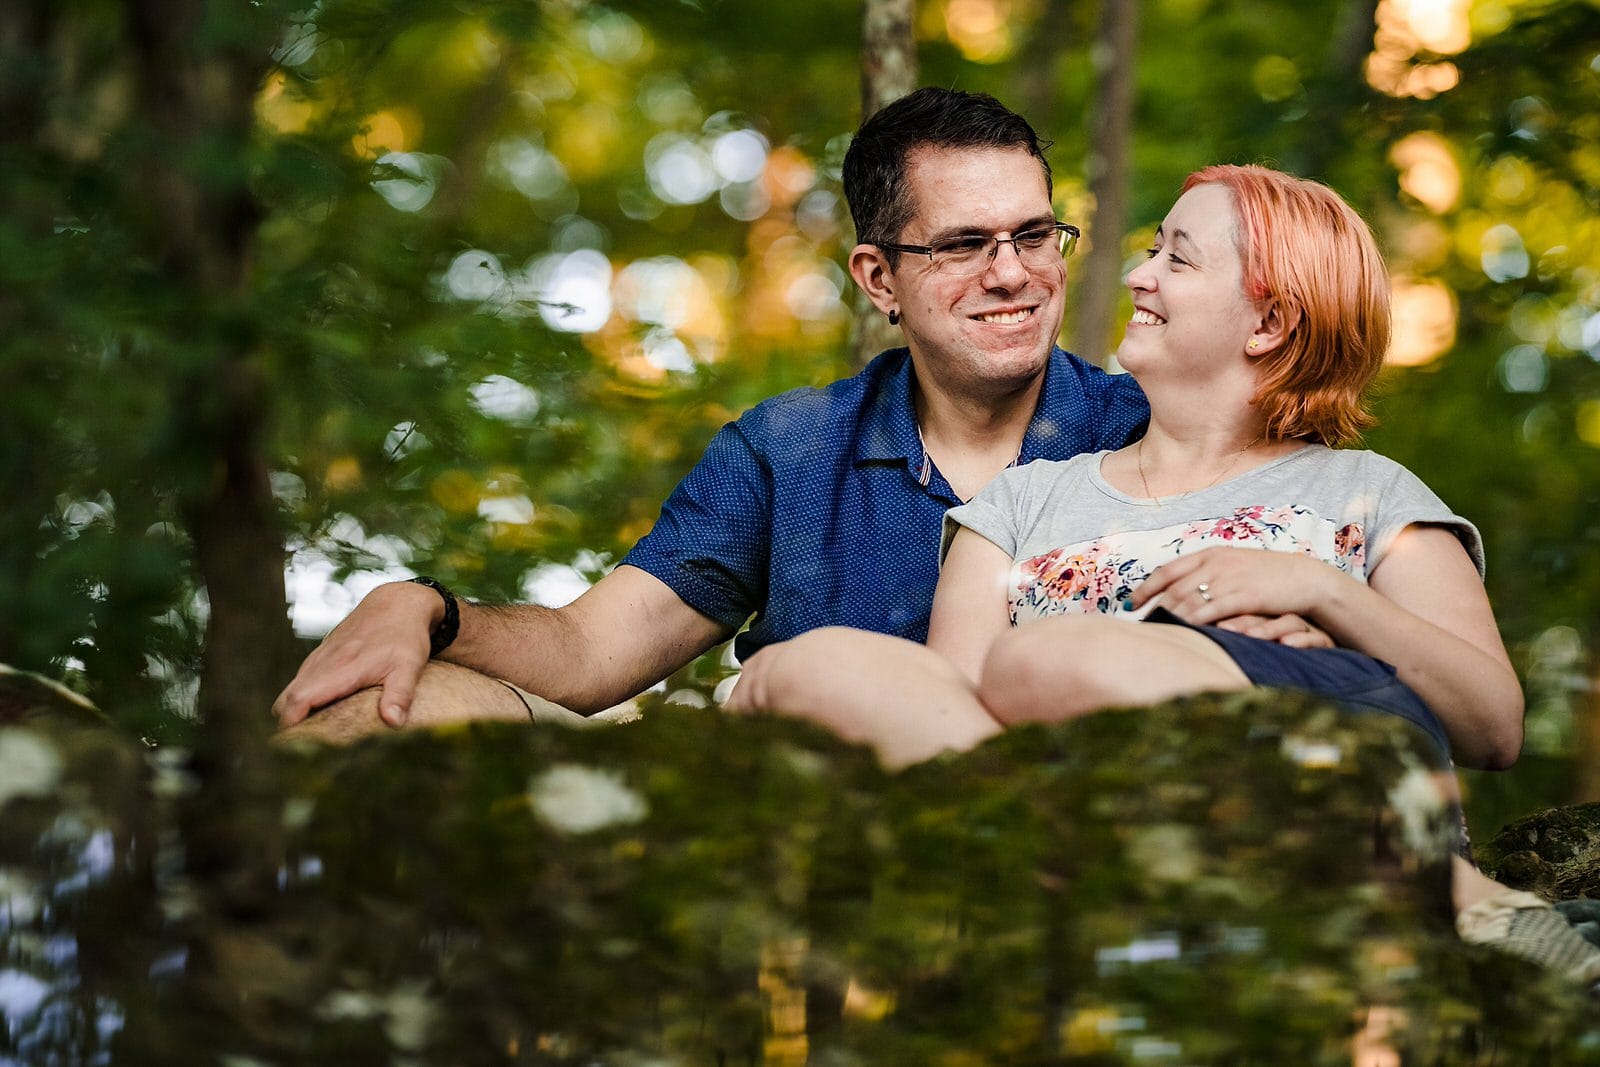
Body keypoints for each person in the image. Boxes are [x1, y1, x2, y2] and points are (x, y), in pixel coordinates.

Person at [726, 164, 1600, 985]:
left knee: (1047, 660)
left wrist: (1323, 593)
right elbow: (947, 718)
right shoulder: (1019, 504)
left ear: (1269, 323)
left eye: (1177, 259)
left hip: (1338, 778)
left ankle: (1439, 895)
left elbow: (1493, 724)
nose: (1141, 277)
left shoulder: (1364, 491)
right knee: (793, 670)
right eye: (1152, 249)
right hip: (1088, 831)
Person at [278, 87, 1175, 737]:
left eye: (1032, 233)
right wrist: (426, 607)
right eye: (964, 244)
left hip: (1052, 850)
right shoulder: (790, 450)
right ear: (877, 280)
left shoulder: (1146, 426)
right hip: (786, 856)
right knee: (376, 713)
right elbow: (591, 654)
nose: (1013, 271)